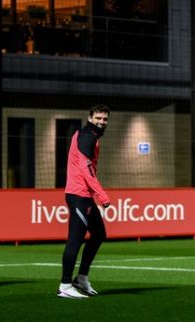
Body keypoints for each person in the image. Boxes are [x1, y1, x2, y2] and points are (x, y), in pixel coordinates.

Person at [58, 104, 112, 299]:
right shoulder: (88, 137)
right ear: (90, 118)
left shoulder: (86, 134)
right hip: (79, 195)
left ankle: (81, 278)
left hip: (84, 195)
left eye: (105, 119)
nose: (101, 122)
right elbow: (85, 170)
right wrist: (103, 196)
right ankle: (65, 284)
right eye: (98, 118)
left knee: (98, 234)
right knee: (75, 239)